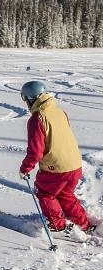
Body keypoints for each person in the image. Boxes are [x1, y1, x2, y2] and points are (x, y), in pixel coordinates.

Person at [19, 80, 96, 235]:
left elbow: (35, 151)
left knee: (46, 193)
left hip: (56, 168)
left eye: (25, 99)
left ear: (31, 99)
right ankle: (84, 224)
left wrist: (25, 168)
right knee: (65, 194)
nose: (26, 103)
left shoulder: (37, 119)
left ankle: (58, 225)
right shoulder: (60, 112)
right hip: (74, 164)